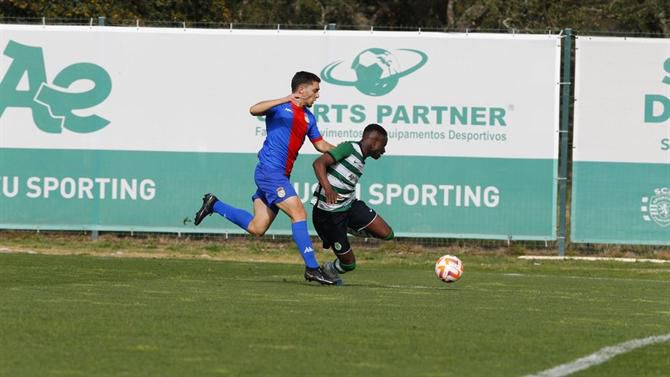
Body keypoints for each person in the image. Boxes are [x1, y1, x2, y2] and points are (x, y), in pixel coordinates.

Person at [194, 71, 337, 285]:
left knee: (257, 227)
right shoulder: (281, 108)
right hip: (270, 173)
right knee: (298, 212)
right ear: (301, 90)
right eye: (315, 90)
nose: (318, 95)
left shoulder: (309, 118)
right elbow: (254, 109)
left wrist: (345, 152)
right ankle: (312, 268)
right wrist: (284, 99)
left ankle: (214, 205)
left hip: (279, 175)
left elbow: (320, 145)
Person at [311, 123, 394, 285]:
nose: (383, 151)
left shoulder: (361, 159)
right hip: (329, 215)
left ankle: (350, 228)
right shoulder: (349, 148)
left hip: (350, 206)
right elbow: (318, 163)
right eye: (383, 146)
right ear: (374, 141)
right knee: (349, 265)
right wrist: (328, 188)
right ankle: (328, 269)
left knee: (387, 234)